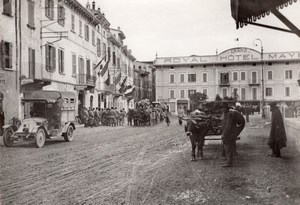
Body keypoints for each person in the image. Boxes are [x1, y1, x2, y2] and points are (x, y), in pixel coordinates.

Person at [221, 102, 245, 167]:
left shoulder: (229, 115)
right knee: (227, 147)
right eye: (222, 108)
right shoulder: (226, 114)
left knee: (228, 147)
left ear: (227, 108)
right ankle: (228, 161)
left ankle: (229, 162)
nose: (222, 110)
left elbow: (228, 126)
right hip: (228, 134)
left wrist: (224, 133)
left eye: (224, 108)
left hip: (229, 134)